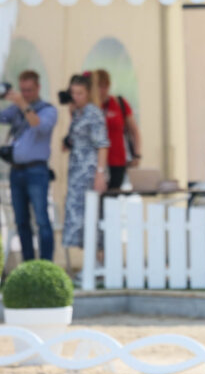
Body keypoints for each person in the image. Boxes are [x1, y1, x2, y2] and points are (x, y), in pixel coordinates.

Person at [0, 70, 57, 261]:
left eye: (30, 90)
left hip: (37, 171)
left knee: (41, 220)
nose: (25, 94)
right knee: (21, 222)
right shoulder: (15, 109)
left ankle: (46, 265)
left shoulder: (48, 109)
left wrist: (22, 104)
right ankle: (28, 263)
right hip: (16, 172)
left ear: (38, 88)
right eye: (22, 90)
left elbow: (38, 125)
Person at [62, 73, 109, 249]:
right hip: (76, 172)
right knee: (80, 218)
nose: (75, 97)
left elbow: (102, 144)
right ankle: (89, 261)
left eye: (80, 93)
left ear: (88, 93)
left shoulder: (93, 113)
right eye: (73, 93)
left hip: (89, 171)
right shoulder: (78, 113)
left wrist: (100, 173)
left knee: (92, 216)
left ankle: (97, 261)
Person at [96, 69, 141, 189]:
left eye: (105, 86)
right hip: (97, 161)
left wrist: (136, 154)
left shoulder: (119, 103)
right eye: (99, 86)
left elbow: (134, 130)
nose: (102, 90)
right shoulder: (92, 107)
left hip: (117, 160)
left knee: (113, 196)